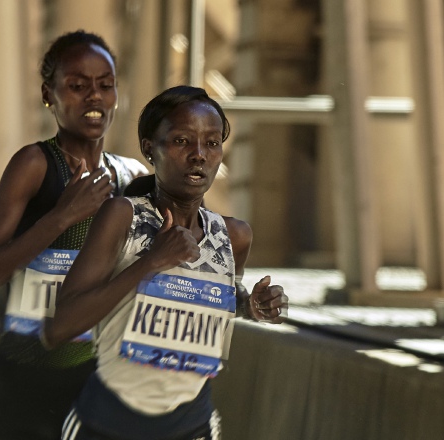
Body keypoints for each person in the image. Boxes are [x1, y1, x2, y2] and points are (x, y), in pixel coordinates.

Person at [42, 85, 289, 440]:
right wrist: (150, 262)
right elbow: (58, 329)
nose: (199, 155)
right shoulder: (122, 217)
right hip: (105, 424)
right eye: (181, 141)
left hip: (190, 426)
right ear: (149, 149)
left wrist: (251, 306)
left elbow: (217, 297)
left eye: (212, 142)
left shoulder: (234, 236)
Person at [0, 30, 148, 440]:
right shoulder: (35, 165)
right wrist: (61, 217)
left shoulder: (132, 178)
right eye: (77, 86)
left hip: (98, 396)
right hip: (20, 394)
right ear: (50, 94)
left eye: (105, 85)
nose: (94, 97)